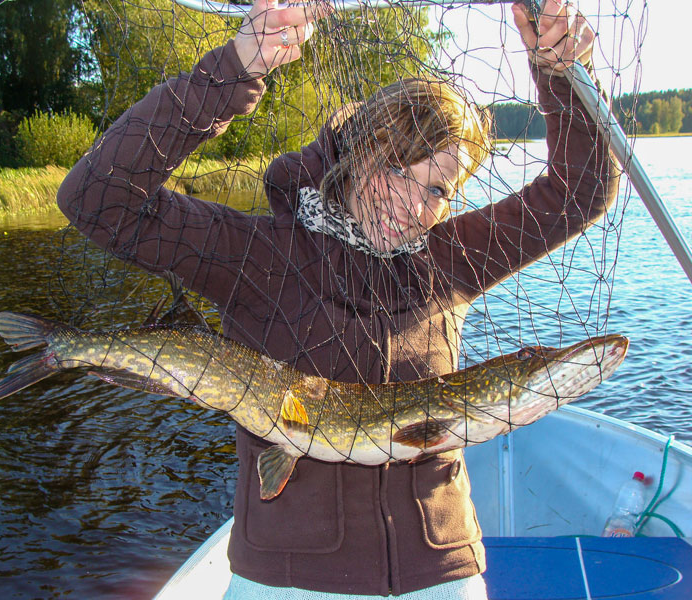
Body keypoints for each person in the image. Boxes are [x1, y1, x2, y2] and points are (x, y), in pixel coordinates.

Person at [57, 0, 618, 597]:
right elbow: (96, 199)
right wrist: (232, 71)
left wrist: (560, 77)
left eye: (437, 190)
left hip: (441, 574)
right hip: (290, 581)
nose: (413, 207)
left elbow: (580, 191)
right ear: (359, 153)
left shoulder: (447, 256)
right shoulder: (259, 254)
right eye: (396, 170)